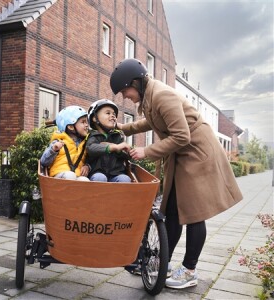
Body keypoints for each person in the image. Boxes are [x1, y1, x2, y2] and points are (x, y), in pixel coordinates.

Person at [110, 58, 243, 289]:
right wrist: (123, 128)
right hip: (182, 154)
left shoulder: (162, 95)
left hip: (196, 153)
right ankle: (164, 263)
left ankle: (189, 271)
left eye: (125, 91)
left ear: (136, 82)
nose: (125, 97)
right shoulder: (151, 95)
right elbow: (151, 122)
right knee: (170, 209)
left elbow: (182, 136)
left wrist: (147, 151)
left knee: (194, 213)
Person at [86, 99, 132, 182]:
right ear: (95, 118)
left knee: (125, 179)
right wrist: (111, 147)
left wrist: (120, 151)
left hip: (116, 174)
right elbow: (90, 148)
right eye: (108, 113)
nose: (113, 116)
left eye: (114, 114)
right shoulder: (92, 136)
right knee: (99, 178)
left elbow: (126, 155)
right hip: (97, 173)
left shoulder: (117, 136)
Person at [40, 105, 90, 181]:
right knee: (70, 175)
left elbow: (90, 160)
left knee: (85, 180)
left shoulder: (85, 144)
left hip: (76, 176)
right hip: (59, 176)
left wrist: (87, 166)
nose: (87, 125)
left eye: (87, 122)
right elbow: (44, 162)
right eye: (83, 122)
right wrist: (54, 150)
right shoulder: (58, 142)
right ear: (71, 127)